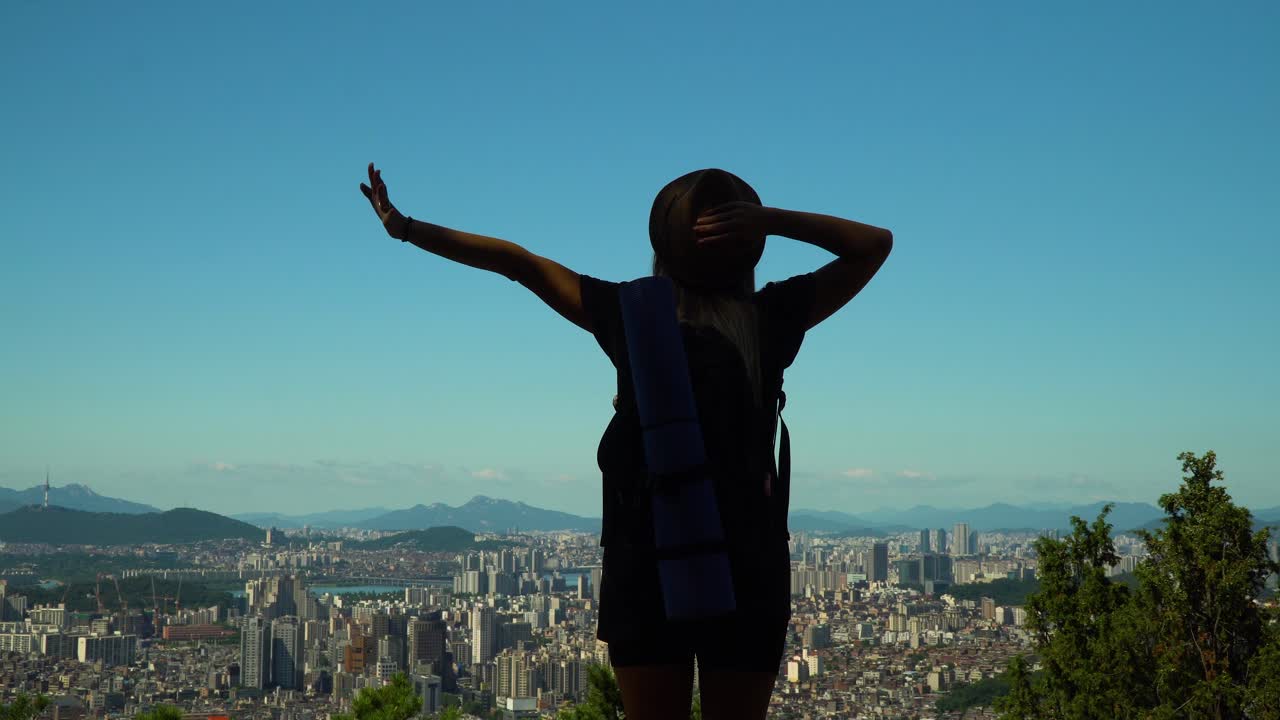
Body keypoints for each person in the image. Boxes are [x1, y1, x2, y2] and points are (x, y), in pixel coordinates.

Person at [359, 163, 892, 719]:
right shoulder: (772, 318)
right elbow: (874, 245)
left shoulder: (631, 315)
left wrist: (406, 228)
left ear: (659, 246)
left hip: (646, 560)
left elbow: (518, 262)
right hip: (748, 568)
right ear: (749, 248)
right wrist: (769, 219)